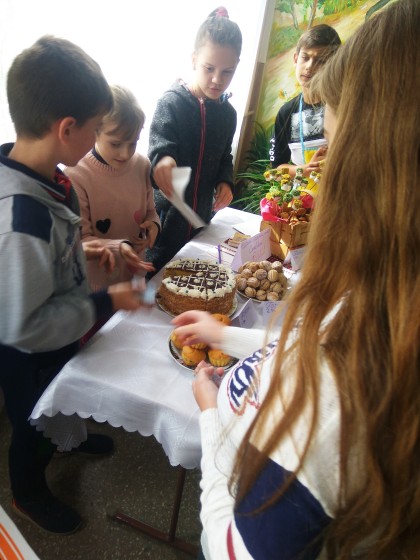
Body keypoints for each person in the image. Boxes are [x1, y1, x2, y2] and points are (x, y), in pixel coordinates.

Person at [173, 0, 420, 557]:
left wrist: (212, 420)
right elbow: (315, 340)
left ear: (367, 171)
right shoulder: (382, 300)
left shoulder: (337, 408)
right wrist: (226, 336)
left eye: (332, 149)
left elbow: (234, 548)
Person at [0, 36, 149, 536]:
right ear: (67, 129)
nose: (96, 140)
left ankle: (71, 434)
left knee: (64, 393)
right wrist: (106, 300)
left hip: (56, 332)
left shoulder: (43, 176)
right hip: (30, 352)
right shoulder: (22, 218)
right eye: (95, 128)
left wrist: (91, 248)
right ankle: (28, 492)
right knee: (35, 419)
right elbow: (25, 325)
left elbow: (49, 250)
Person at [147, 6, 242, 273]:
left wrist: (225, 181)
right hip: (166, 221)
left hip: (202, 219)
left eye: (227, 71)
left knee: (192, 278)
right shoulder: (172, 103)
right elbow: (160, 147)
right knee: (156, 277)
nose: (217, 79)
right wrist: (164, 161)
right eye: (209, 68)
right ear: (193, 60)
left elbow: (225, 156)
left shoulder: (228, 115)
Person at [65, 84, 159, 292]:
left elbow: (150, 211)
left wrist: (153, 225)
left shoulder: (142, 165)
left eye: (133, 143)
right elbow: (82, 240)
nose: (125, 154)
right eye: (116, 144)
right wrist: (120, 247)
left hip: (135, 275)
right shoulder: (76, 175)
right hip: (99, 284)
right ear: (94, 132)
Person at [271, 24, 341, 179]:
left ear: (333, 65)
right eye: (305, 57)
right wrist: (303, 170)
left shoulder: (342, 106)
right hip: (302, 192)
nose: (310, 67)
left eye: (321, 61)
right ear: (296, 59)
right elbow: (276, 168)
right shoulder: (286, 113)